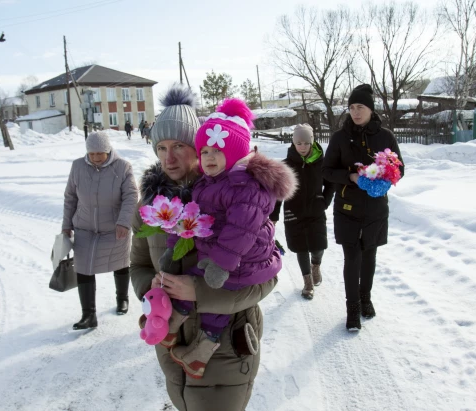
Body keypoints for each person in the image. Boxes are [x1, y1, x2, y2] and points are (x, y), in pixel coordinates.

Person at [130, 84, 278, 411]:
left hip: (227, 351)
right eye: (161, 147)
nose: (169, 158)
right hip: (171, 351)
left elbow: (268, 277)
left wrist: (199, 292)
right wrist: (151, 289)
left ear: (200, 146)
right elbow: (138, 265)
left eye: (179, 145)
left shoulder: (235, 197)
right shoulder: (151, 206)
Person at [158, 98, 296, 379]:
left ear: (235, 154)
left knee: (217, 292)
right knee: (199, 280)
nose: (208, 157)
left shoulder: (246, 186)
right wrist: (172, 249)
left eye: (217, 151)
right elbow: (191, 217)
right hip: (219, 253)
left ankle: (198, 345)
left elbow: (241, 229)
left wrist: (221, 263)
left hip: (243, 258)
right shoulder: (209, 182)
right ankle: (180, 334)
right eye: (204, 150)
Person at [320, 84, 405, 331]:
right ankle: (353, 308)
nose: (355, 112)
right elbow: (326, 170)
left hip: (375, 207)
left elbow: (399, 168)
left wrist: (385, 177)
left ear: (370, 109)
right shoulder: (339, 137)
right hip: (347, 207)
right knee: (352, 257)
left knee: (369, 255)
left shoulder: (386, 136)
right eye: (352, 107)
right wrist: (353, 177)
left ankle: (365, 298)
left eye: (361, 107)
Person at [62, 131, 139, 329]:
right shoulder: (78, 166)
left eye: (100, 153)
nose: (95, 158)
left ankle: (122, 298)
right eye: (92, 153)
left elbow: (131, 196)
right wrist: (66, 225)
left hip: (114, 228)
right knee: (83, 268)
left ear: (108, 151)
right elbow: (70, 197)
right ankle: (89, 315)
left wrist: (124, 222)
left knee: (120, 263)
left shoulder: (122, 167)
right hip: (84, 228)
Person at [270, 124, 335, 300]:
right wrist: (273, 216)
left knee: (318, 245)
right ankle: (307, 282)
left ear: (312, 142)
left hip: (316, 211)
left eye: (306, 143)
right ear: (293, 143)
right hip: (294, 212)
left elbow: (331, 184)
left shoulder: (321, 163)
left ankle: (316, 266)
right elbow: (277, 193)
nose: (303, 147)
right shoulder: (285, 166)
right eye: (299, 143)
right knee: (301, 248)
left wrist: (325, 201)